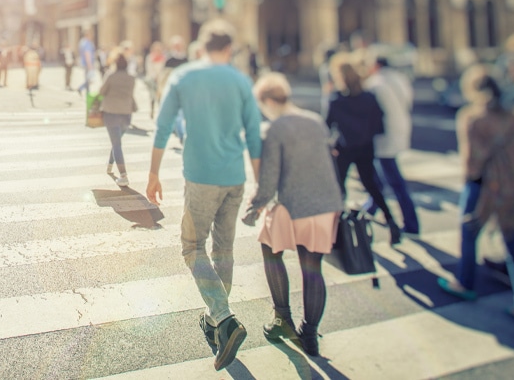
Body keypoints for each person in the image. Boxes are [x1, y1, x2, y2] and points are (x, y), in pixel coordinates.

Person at [146, 21, 263, 371]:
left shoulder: (184, 77)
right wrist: (260, 184)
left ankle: (224, 318)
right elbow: (255, 134)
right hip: (235, 178)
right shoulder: (241, 80)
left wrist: (152, 173)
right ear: (229, 49)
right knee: (223, 249)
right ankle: (215, 322)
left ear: (201, 47)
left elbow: (163, 126)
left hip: (200, 178)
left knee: (192, 248)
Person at [439, 66, 514, 327]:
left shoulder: (471, 117)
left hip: (483, 187)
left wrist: (472, 181)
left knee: (469, 232)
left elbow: (472, 161)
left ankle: (465, 282)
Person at [243, 73, 342, 357]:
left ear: (266, 101)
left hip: (293, 203)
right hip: (324, 203)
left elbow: (269, 178)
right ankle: (309, 335)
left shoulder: (276, 128)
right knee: (312, 269)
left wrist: (254, 207)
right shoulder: (314, 120)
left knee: (269, 249)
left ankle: (281, 318)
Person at [326, 56, 402, 245]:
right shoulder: (368, 97)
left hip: (344, 148)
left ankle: (336, 232)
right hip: (365, 147)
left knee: (339, 189)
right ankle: (391, 221)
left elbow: (327, 125)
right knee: (372, 186)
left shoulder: (336, 99)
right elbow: (379, 120)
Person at [362, 57, 420, 235]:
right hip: (401, 127)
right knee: (381, 176)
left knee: (394, 180)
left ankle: (411, 223)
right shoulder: (400, 78)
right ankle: (370, 207)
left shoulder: (374, 83)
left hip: (384, 134)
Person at [99, 51, 138, 187]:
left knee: (116, 144)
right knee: (116, 141)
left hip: (111, 113)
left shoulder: (111, 75)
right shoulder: (132, 77)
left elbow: (101, 91)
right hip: (126, 114)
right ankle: (110, 166)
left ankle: (123, 175)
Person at [160, 36, 190, 145]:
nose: (178, 47)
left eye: (179, 45)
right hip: (172, 89)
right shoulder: (169, 59)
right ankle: (179, 133)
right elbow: (164, 74)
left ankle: (181, 134)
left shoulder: (185, 59)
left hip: (184, 89)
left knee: (181, 114)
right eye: (176, 45)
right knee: (177, 114)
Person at [143, 41, 166, 119]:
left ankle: (161, 111)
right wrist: (154, 77)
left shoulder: (163, 57)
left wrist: (160, 77)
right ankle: (152, 110)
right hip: (152, 79)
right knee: (152, 96)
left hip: (161, 80)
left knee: (161, 96)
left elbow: (164, 68)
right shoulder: (150, 57)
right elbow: (149, 68)